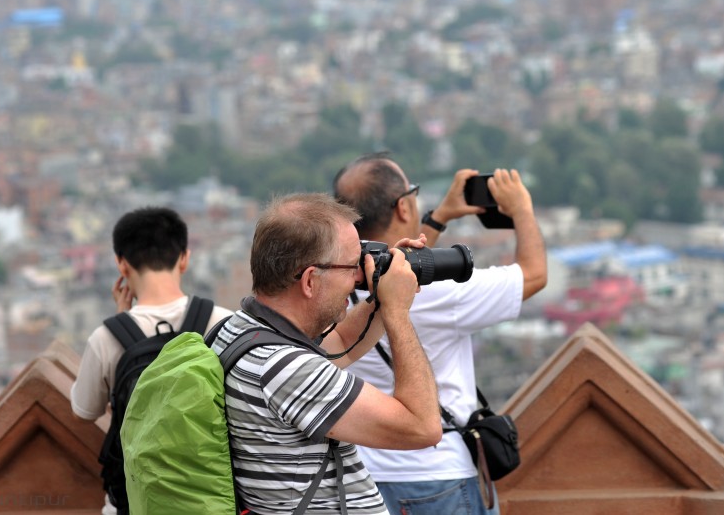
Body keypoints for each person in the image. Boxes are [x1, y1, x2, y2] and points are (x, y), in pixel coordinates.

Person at [333, 154, 548, 515]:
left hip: (361, 477)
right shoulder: (443, 293)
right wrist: (521, 208)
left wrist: (438, 217)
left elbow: (403, 265)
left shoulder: (334, 281)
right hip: (437, 475)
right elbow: (534, 275)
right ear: (403, 207)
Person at [208, 193, 442, 514]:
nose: (359, 278)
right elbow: (423, 427)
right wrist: (398, 312)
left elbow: (342, 341)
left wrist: (383, 292)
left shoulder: (239, 331)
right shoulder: (286, 368)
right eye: (351, 266)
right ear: (309, 280)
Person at [71, 206, 235, 515]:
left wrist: (123, 325)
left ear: (122, 264)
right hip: (213, 498)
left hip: (134, 503)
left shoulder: (106, 339)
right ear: (184, 258)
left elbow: (83, 410)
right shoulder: (224, 323)